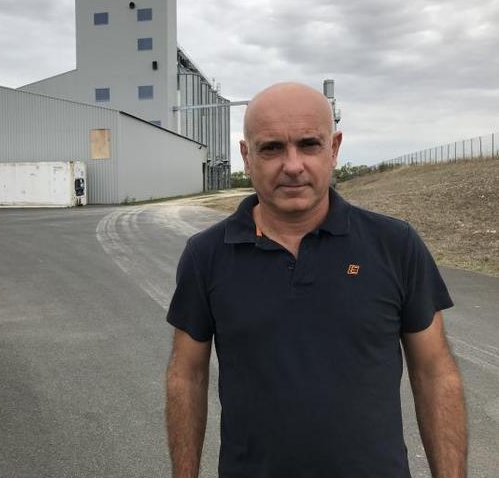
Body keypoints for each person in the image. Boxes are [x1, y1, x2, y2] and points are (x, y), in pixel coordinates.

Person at [165, 82, 467, 478]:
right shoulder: (206, 256)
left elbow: (434, 373)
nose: (292, 165)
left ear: (334, 149)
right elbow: (187, 377)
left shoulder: (395, 245)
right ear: (246, 156)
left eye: (309, 144)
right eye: (272, 147)